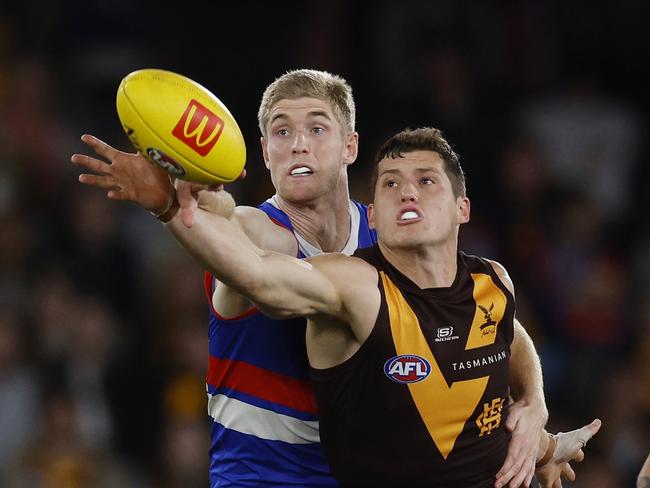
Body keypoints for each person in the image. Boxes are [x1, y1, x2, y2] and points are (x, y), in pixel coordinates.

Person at [72, 70, 564, 487]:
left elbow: (488, 313)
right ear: (264, 152)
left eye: (316, 128)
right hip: (263, 477)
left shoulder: (389, 230)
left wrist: (534, 404)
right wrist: (170, 201)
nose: (298, 143)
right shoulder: (251, 228)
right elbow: (224, 226)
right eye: (281, 132)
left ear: (351, 146)